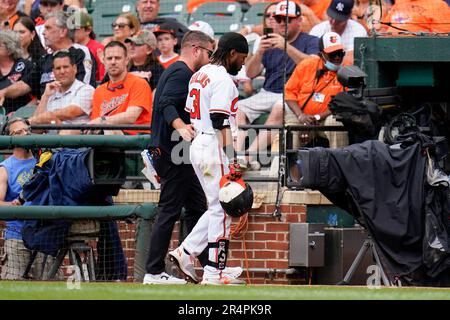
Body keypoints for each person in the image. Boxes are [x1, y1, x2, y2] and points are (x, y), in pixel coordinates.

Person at [168, 32, 248, 285]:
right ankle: (215, 271)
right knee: (224, 209)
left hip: (198, 144)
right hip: (213, 144)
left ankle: (186, 251)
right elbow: (219, 120)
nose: (243, 63)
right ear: (232, 53)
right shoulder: (223, 79)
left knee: (216, 206)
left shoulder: (199, 74)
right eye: (242, 57)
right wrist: (232, 158)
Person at [142, 30, 215, 285]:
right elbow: (165, 103)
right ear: (196, 49)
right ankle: (152, 272)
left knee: (197, 207)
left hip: (179, 153)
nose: (210, 59)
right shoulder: (182, 72)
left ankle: (210, 269)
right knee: (169, 210)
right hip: (173, 152)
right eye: (209, 53)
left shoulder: (180, 72)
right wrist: (180, 126)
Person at [235, 0, 319, 169]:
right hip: (267, 92)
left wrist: (286, 47)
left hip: (294, 96)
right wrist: (259, 52)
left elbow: (314, 65)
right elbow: (251, 73)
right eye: (278, 19)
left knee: (279, 108)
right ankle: (236, 157)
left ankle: (248, 155)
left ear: (299, 20)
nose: (282, 23)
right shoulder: (269, 41)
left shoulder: (310, 40)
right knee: (237, 108)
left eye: (287, 19)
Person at [248, 31, 348, 156]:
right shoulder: (307, 64)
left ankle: (340, 165)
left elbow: (343, 102)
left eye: (340, 53)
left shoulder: (348, 71)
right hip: (301, 116)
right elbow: (289, 92)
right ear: (321, 54)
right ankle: (278, 174)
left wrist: (316, 118)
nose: (337, 57)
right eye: (332, 54)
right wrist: (301, 117)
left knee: (335, 122)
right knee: (287, 134)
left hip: (325, 118)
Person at [0, 11, 95, 105]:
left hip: (72, 113)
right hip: (46, 113)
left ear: (63, 31)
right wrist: (3, 92)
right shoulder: (45, 59)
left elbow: (84, 90)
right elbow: (25, 84)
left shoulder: (80, 52)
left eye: (48, 28)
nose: (43, 33)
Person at [0, 118, 37, 280]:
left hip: (44, 234)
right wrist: (13, 205)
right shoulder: (5, 168)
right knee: (13, 286)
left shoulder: (43, 161)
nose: (25, 133)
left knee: (52, 286)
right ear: (10, 138)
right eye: (19, 132)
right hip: (16, 235)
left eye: (27, 129)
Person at [88, 41, 152, 135]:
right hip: (107, 136)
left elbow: (131, 116)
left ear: (126, 60)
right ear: (104, 61)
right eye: (109, 58)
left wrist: (102, 120)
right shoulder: (99, 90)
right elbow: (95, 123)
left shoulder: (139, 83)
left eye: (117, 58)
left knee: (110, 130)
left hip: (136, 138)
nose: (113, 62)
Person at [28, 50, 94, 133]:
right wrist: (45, 96)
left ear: (74, 69)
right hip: (50, 142)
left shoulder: (86, 89)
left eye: (65, 67)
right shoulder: (51, 93)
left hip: (76, 141)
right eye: (58, 68)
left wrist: (44, 117)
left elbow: (70, 112)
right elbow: (36, 129)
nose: (62, 71)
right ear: (53, 72)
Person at [0, 29, 34, 114]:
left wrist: (19, 113)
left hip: (21, 116)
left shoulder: (27, 66)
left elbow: (36, 98)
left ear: (9, 50)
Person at [72, 10, 105, 81]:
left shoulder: (98, 48)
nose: (71, 31)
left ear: (88, 30)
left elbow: (102, 78)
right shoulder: (69, 47)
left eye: (75, 28)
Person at [382, 0, 450, 34]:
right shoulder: (400, 1)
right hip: (389, 46)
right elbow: (384, 27)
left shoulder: (438, 4)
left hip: (417, 49)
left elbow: (443, 36)